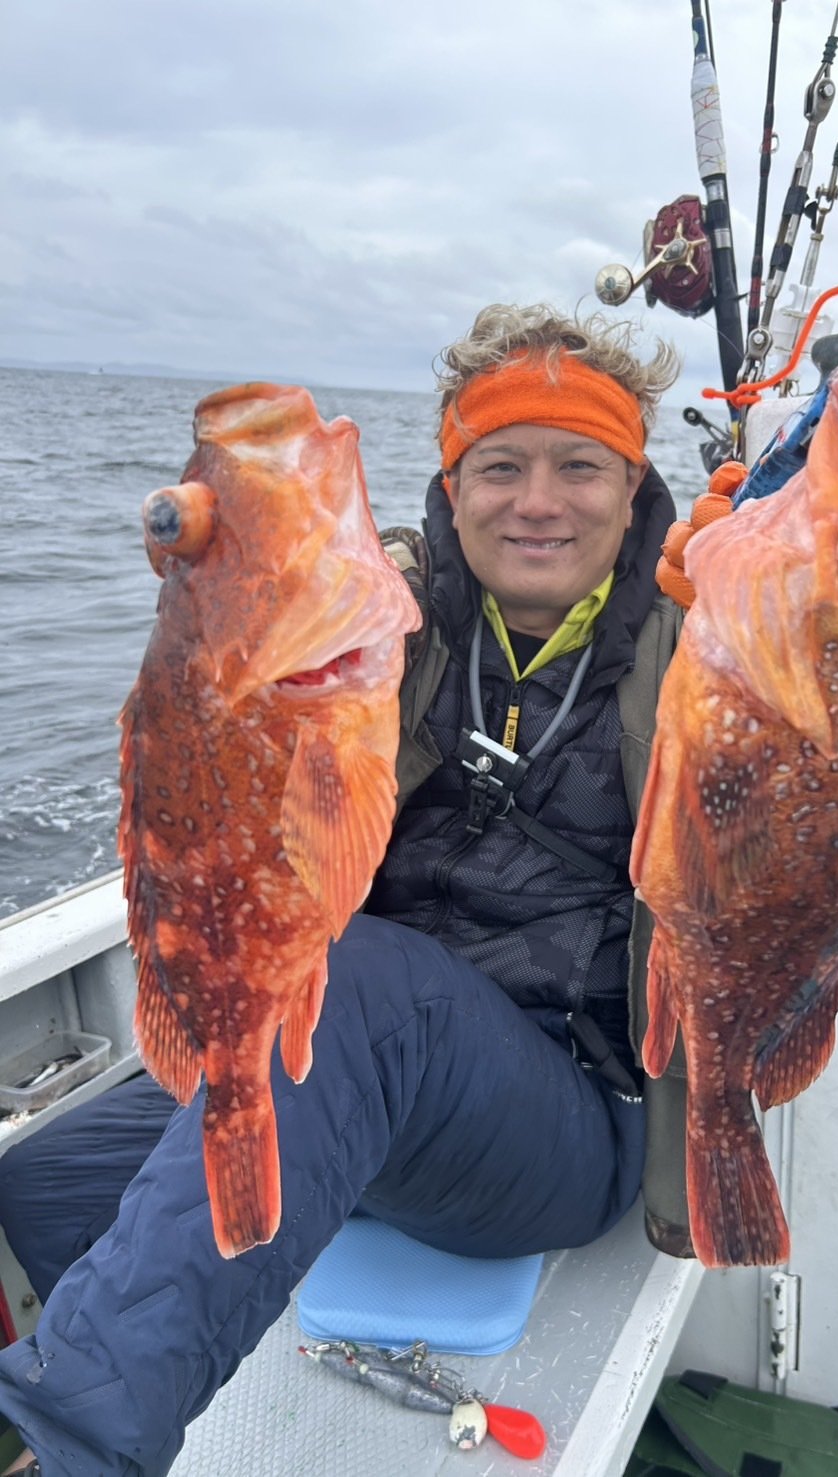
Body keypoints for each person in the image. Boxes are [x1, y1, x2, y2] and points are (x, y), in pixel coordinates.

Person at [0, 303, 692, 1476]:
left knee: (364, 986)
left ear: (632, 488)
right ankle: (145, 1382)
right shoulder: (379, 617)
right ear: (451, 486)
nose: (538, 501)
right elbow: (224, 725)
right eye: (500, 467)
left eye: (580, 467)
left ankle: (81, 1446)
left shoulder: (697, 646)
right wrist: (227, 573)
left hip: (565, 1108)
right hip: (344, 1063)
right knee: (47, 1178)